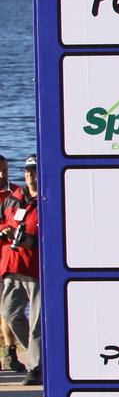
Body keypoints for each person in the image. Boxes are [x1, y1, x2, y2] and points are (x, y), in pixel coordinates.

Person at [0, 155, 40, 384]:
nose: (30, 175)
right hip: (11, 267)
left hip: (35, 270)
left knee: (36, 323)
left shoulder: (50, 198)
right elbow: (1, 221)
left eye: (34, 171)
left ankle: (37, 368)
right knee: (11, 314)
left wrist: (31, 242)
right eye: (27, 171)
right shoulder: (13, 198)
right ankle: (44, 354)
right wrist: (5, 230)